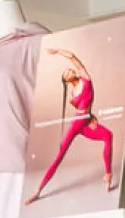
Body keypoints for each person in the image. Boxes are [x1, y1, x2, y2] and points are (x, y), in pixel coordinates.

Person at [24, 48, 115, 204]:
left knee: (108, 136)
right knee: (59, 157)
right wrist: (87, 113)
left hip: (85, 123)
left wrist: (58, 51)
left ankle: (108, 174)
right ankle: (38, 191)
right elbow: (80, 106)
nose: (69, 70)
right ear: (67, 80)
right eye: (66, 73)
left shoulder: (85, 78)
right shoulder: (72, 94)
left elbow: (73, 57)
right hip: (76, 124)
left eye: (69, 70)